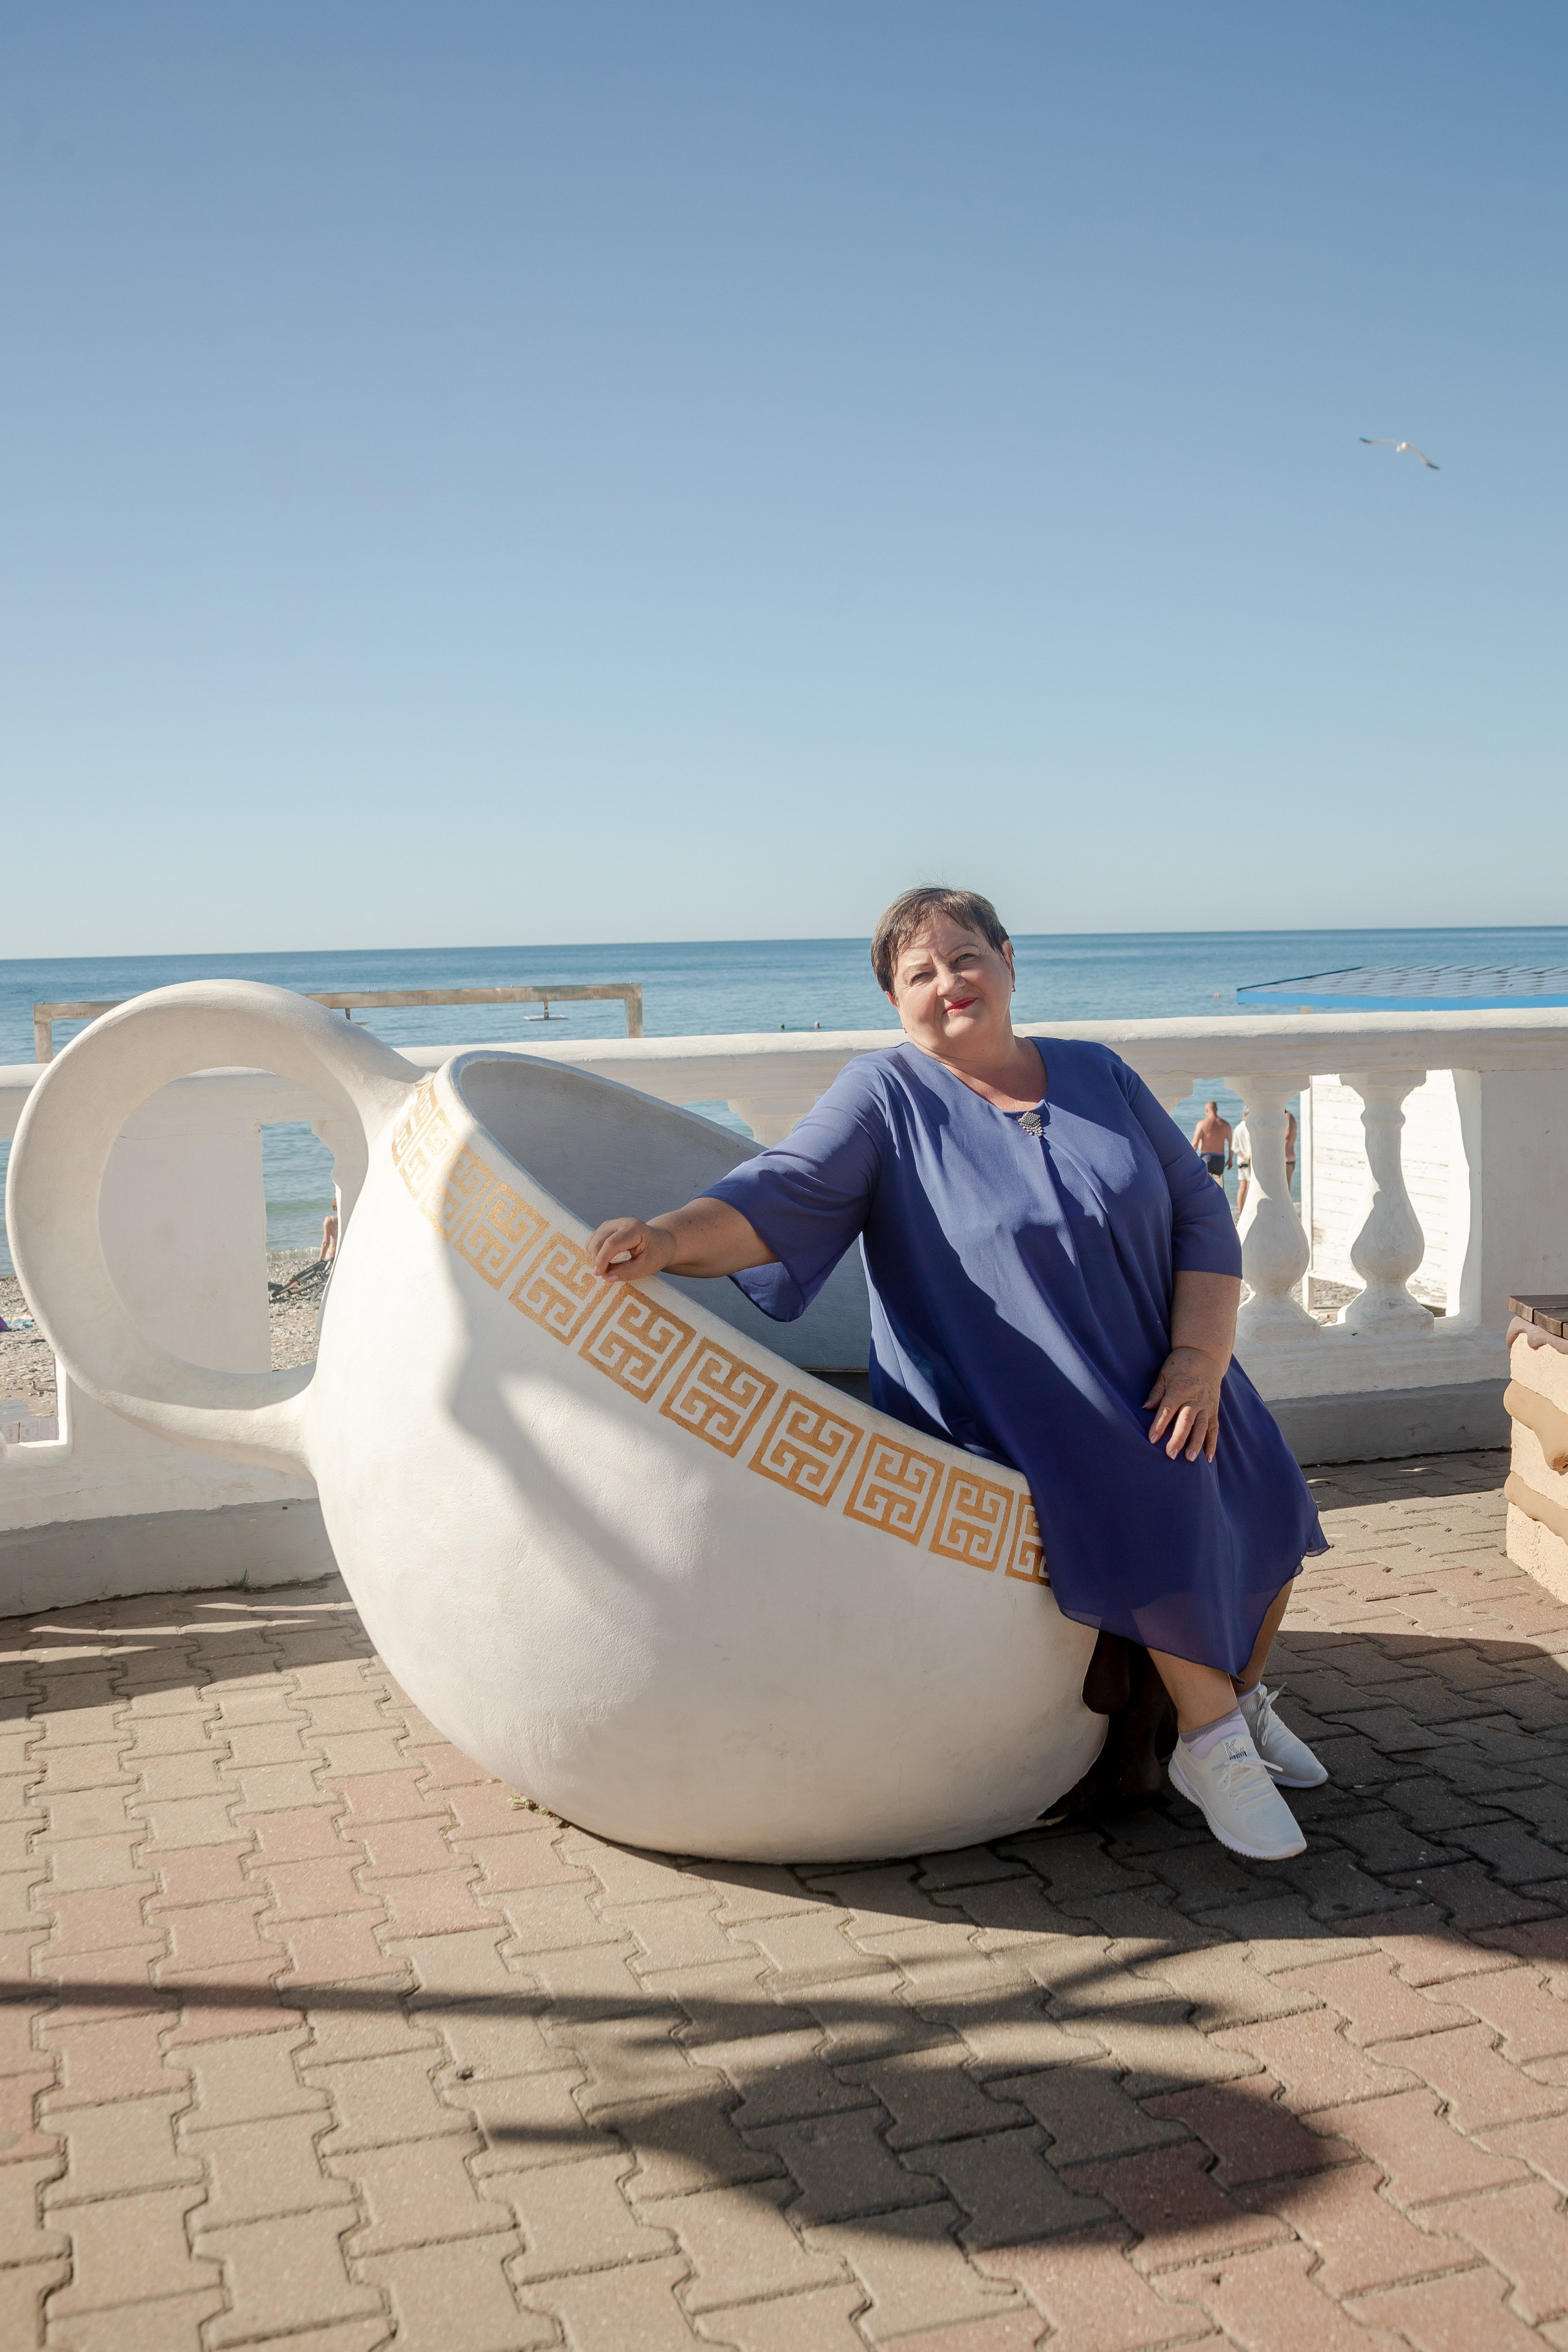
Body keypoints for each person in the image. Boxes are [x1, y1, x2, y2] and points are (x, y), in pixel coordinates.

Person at [587, 887, 1329, 1863]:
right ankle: (1211, 1740)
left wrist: (1199, 1358)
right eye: (919, 974)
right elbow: (780, 1193)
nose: (949, 982)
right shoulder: (885, 1095)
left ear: (1008, 961)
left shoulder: (1097, 1073)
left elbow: (1198, 1209)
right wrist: (667, 1238)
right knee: (1157, 1472)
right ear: (895, 1002)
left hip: (1152, 1359)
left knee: (1263, 1472)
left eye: (965, 956)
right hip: (1001, 1388)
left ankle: (1239, 1690)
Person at [1191, 1101, 1232, 1182]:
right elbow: (1231, 1144)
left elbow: (1195, 1144)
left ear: (1206, 1110)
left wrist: (1190, 1159)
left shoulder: (1202, 1124)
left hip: (1206, 1158)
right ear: (1216, 1109)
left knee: (1205, 1183)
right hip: (1220, 1159)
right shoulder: (1226, 1125)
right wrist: (1230, 1159)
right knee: (1218, 1183)